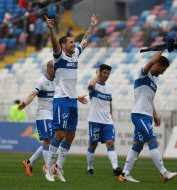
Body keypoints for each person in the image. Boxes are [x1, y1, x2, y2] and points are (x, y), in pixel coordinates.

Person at [44, 14, 100, 182]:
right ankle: (48, 168)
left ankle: (59, 168)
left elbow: (85, 41)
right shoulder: (59, 56)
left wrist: (92, 26)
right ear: (62, 45)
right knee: (59, 134)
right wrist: (52, 29)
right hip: (61, 100)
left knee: (71, 134)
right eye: (70, 42)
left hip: (72, 100)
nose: (73, 44)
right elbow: (54, 43)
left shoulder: (75, 54)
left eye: (73, 42)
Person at [119, 51, 177, 183]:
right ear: (157, 64)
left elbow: (149, 100)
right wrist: (163, 47)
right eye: (163, 69)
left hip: (146, 116)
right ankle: (164, 173)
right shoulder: (143, 73)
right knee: (152, 142)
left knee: (137, 145)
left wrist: (155, 114)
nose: (163, 72)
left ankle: (125, 174)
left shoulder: (153, 82)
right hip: (139, 114)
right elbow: (151, 61)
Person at [86, 64, 122, 176]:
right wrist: (96, 74)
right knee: (93, 144)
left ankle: (116, 168)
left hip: (107, 121)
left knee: (110, 143)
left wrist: (111, 116)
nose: (106, 75)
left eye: (108, 73)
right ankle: (90, 168)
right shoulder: (94, 85)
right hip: (95, 120)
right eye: (104, 72)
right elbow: (90, 85)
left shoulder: (109, 88)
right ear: (99, 72)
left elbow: (109, 103)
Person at [20, 60, 55, 177]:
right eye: (55, 69)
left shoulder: (57, 80)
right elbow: (32, 94)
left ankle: (28, 163)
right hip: (44, 115)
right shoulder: (41, 81)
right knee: (48, 141)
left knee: (51, 142)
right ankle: (48, 168)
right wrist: (24, 103)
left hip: (54, 115)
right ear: (49, 68)